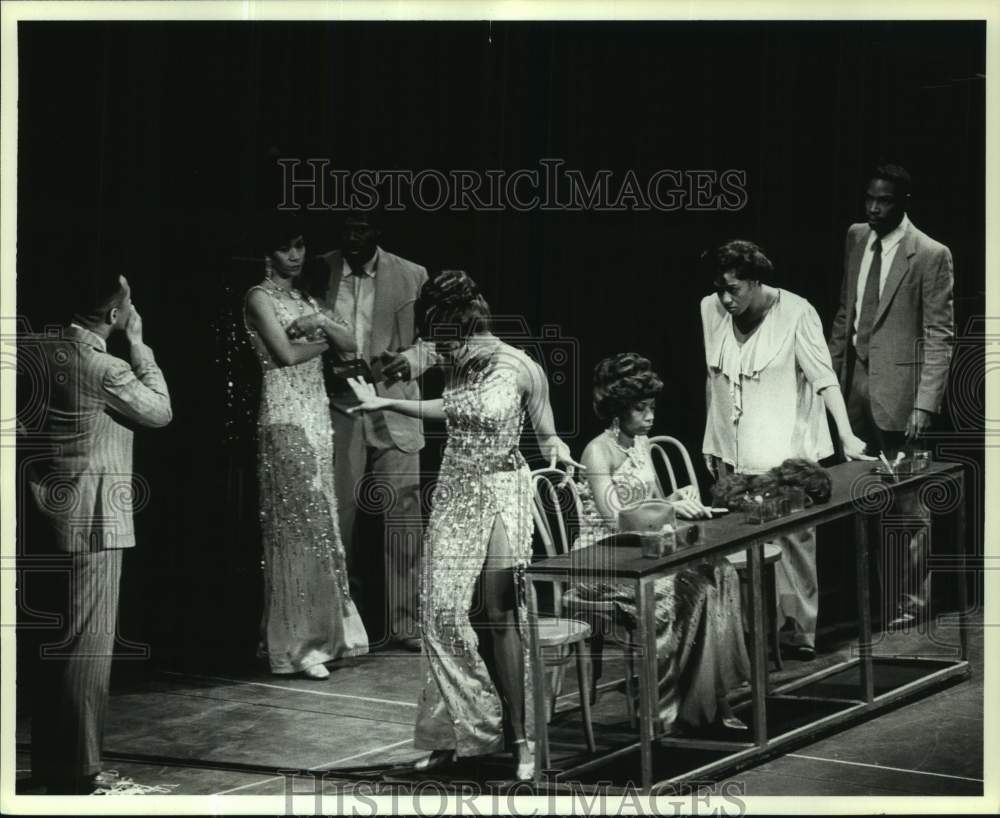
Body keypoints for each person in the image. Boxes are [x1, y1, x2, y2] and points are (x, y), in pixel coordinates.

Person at [346, 270, 582, 780]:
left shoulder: (516, 368)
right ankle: (461, 726)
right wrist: (396, 366)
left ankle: (522, 738)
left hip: (501, 489)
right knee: (440, 611)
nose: (443, 349)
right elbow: (418, 359)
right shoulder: (448, 350)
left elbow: (540, 431)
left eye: (447, 337)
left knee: (500, 614)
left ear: (468, 324)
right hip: (457, 486)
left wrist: (561, 453)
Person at [21, 263, 172, 793]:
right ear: (114, 313)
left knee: (58, 644)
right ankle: (77, 772)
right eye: (126, 304)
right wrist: (140, 346)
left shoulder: (37, 348)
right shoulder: (104, 367)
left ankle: (56, 762)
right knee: (86, 651)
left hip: (46, 511)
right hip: (93, 519)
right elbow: (160, 412)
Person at [701, 240, 873, 660]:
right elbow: (714, 377)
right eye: (720, 288)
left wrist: (846, 435)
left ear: (756, 281)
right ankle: (752, 634)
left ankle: (798, 631)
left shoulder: (796, 312)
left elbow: (823, 377)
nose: (726, 298)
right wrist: (711, 435)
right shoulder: (710, 309)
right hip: (733, 451)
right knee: (740, 544)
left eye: (734, 288)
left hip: (786, 455)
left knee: (793, 543)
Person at [572, 353, 750, 732]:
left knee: (719, 574)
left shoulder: (640, 443)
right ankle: (664, 710)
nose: (650, 416)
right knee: (680, 591)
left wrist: (679, 503)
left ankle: (712, 699)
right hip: (604, 559)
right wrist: (666, 507)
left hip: (645, 551)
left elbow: (655, 499)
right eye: (641, 409)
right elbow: (614, 517)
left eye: (652, 407)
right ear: (619, 411)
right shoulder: (597, 451)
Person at [299, 210, 435, 651]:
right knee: (338, 517)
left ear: (378, 230)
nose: (353, 237)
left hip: (395, 405)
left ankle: (407, 622)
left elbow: (435, 341)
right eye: (346, 229)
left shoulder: (413, 274)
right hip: (340, 404)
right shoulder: (318, 267)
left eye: (362, 229)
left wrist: (411, 362)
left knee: (404, 518)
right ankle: (343, 622)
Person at [828, 164, 955, 629]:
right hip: (854, 385)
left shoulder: (929, 254)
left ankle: (911, 605)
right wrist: (827, 378)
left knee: (907, 506)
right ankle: (860, 599)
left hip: (901, 395)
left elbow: (939, 335)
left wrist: (925, 403)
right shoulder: (856, 236)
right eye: (869, 199)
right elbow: (848, 310)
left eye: (883, 201)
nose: (873, 208)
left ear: (902, 202)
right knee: (854, 495)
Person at [243, 217, 368, 679]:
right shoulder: (259, 297)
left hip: (316, 420)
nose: (295, 256)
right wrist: (324, 339)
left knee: (320, 523)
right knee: (295, 528)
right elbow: (285, 354)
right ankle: (297, 645)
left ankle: (326, 635)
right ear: (267, 254)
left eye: (299, 246)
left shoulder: (304, 299)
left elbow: (351, 342)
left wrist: (317, 322)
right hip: (284, 419)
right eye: (285, 248)